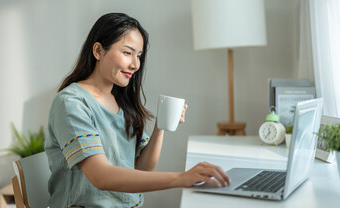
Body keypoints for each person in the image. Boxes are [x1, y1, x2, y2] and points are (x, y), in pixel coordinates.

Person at [45, 13, 231, 208]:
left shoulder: (121, 101)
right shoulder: (71, 103)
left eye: (139, 55)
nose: (135, 65)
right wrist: (180, 178)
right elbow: (100, 176)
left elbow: (142, 167)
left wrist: (161, 125)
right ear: (98, 51)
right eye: (127, 53)